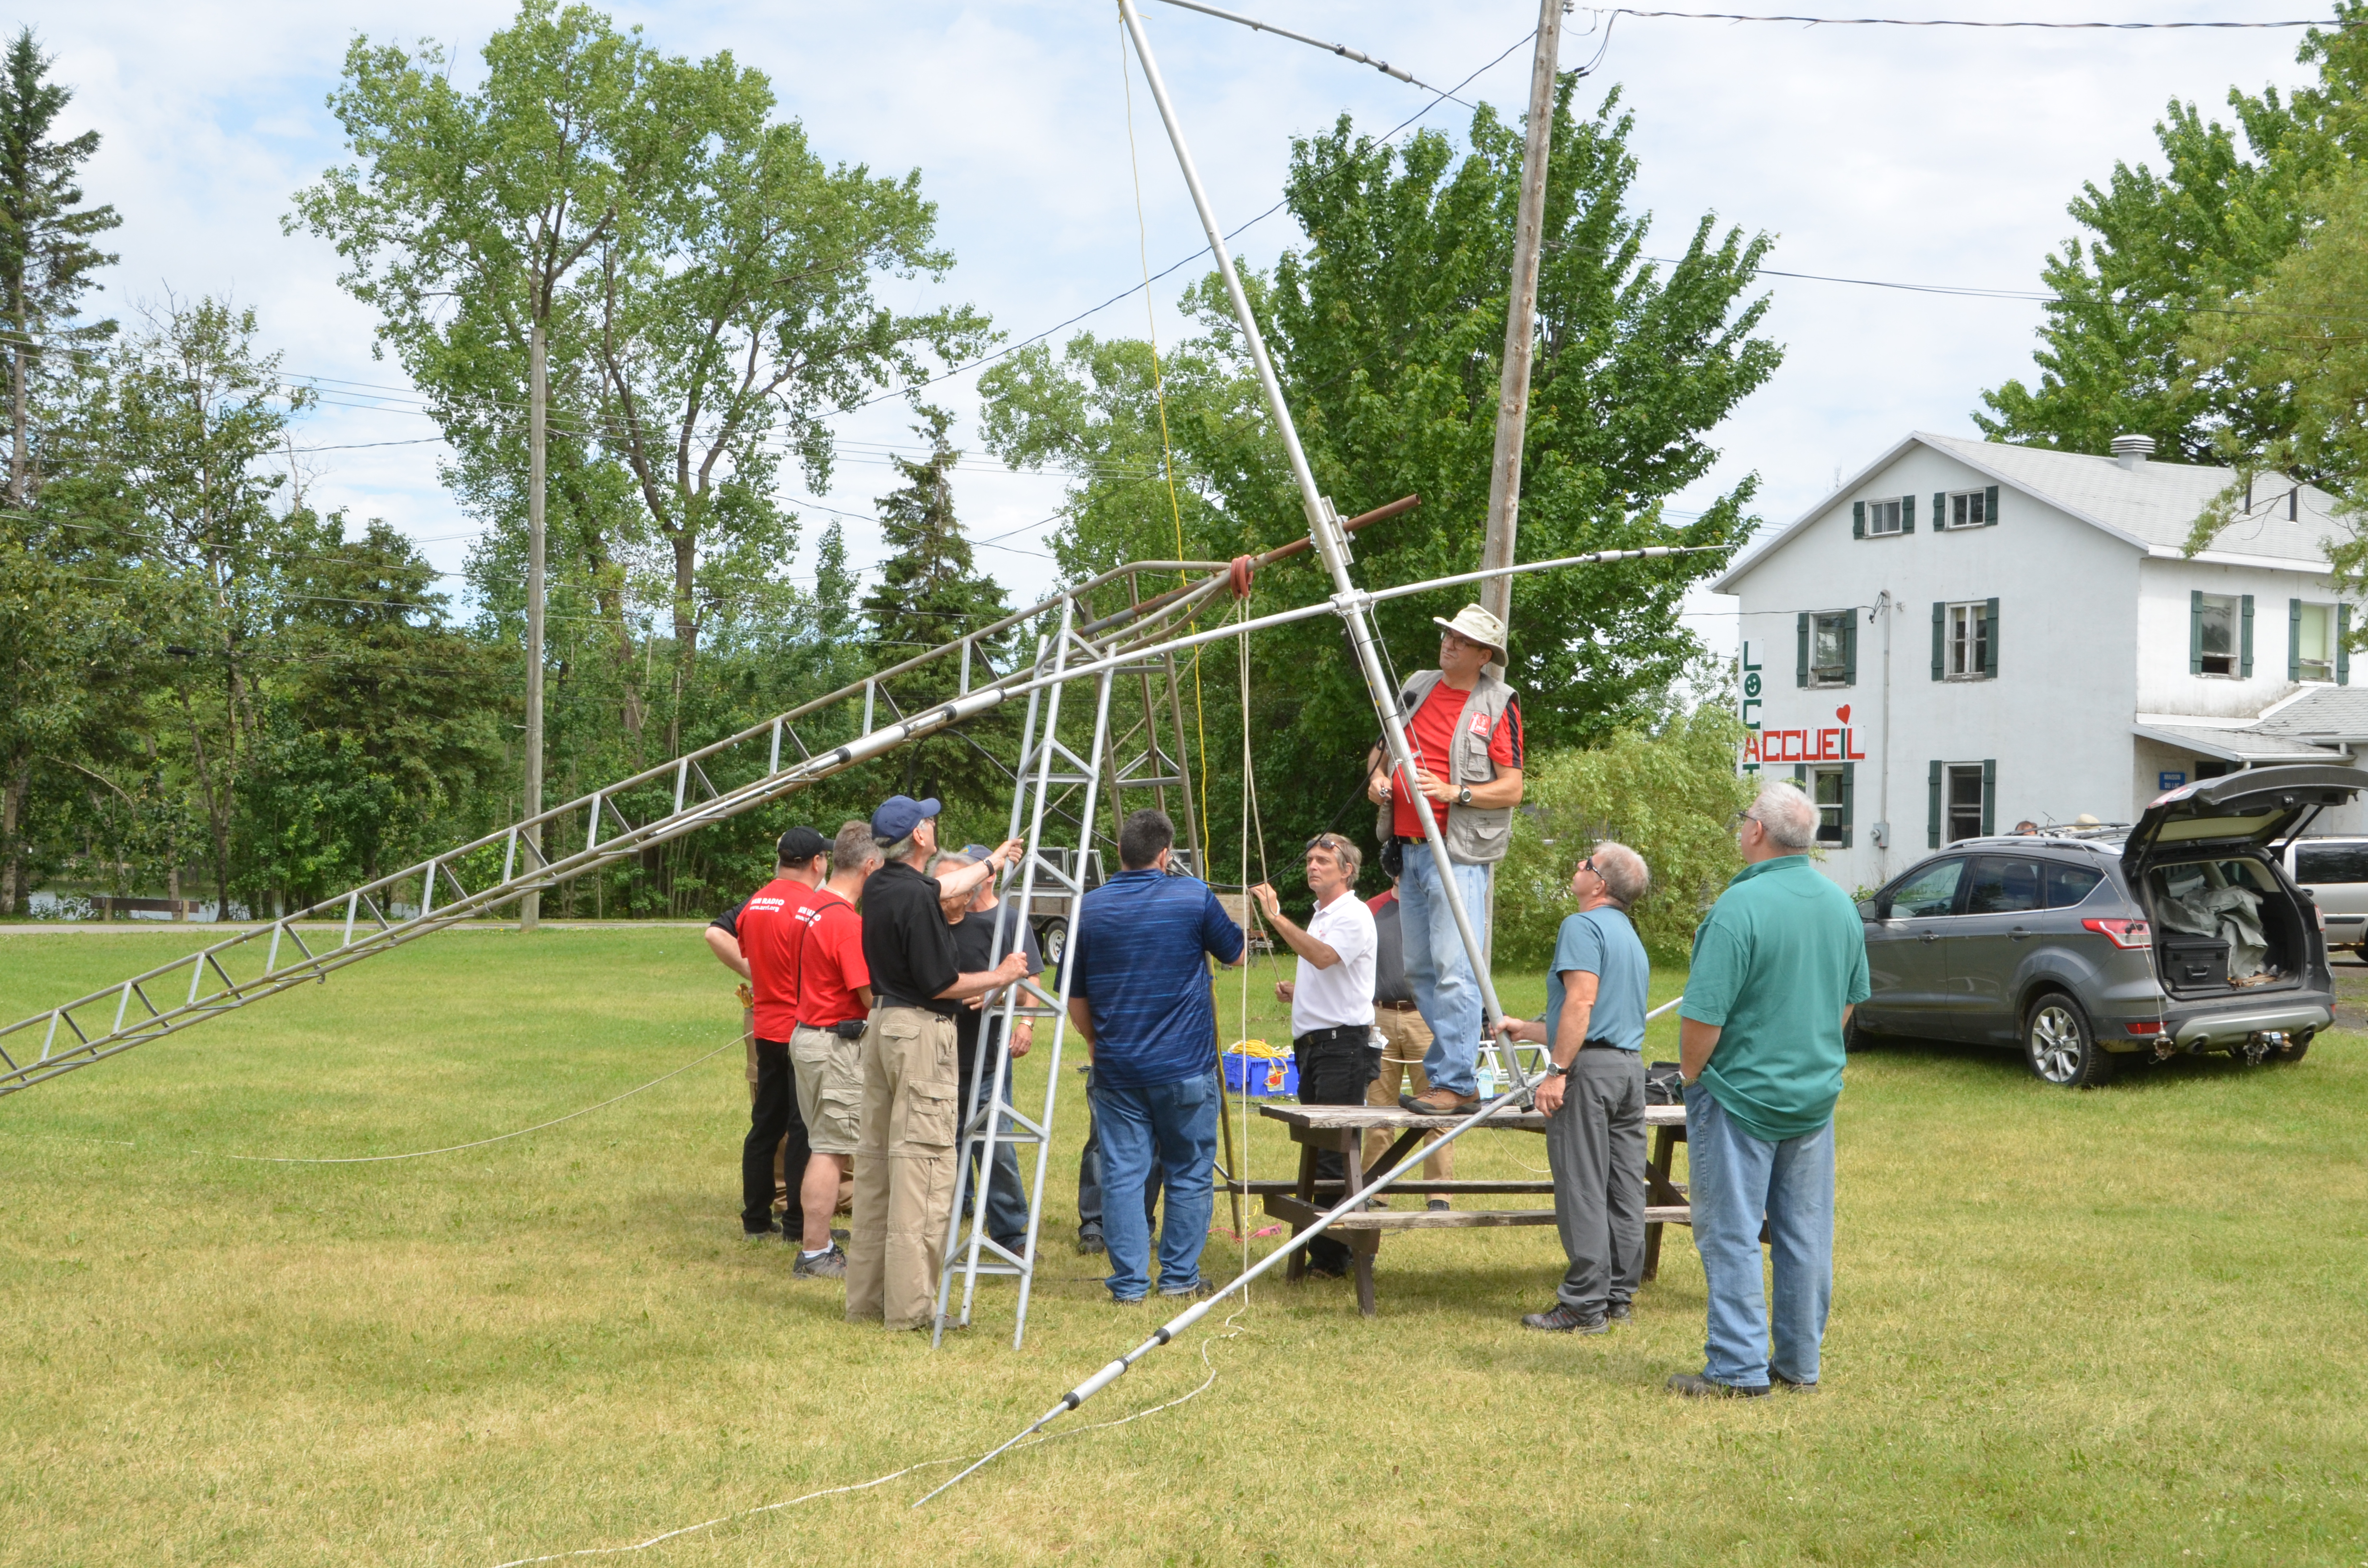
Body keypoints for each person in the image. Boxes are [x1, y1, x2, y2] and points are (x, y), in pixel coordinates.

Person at [1669, 781, 1870, 1396]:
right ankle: (1798, 1365)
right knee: (1803, 1234)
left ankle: (1735, 1369)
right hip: (1812, 1095)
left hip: (1738, 1096)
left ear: (1755, 831)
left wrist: (1691, 1077)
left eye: (1741, 820)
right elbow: (1846, 1004)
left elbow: (1702, 1019)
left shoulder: (1737, 909)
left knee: (1729, 1233)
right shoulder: (1839, 905)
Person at [845, 796, 1027, 1332]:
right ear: (920, 838)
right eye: (929, 820)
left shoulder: (881, 883)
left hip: (882, 1028)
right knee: (922, 1169)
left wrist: (993, 861)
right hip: (920, 1034)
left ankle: (868, 1300)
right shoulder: (913, 898)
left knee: (878, 1166)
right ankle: (912, 1310)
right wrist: (1003, 974)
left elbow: (942, 887)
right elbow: (943, 984)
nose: (934, 823)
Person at [1067, 808, 1246, 1302]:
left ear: (1119, 854)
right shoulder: (1192, 895)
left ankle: (1127, 1284)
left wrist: (1092, 1043)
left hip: (1118, 1067)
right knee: (1189, 1170)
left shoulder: (1089, 907)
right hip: (1184, 1067)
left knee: (1123, 1174)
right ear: (1165, 854)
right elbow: (1236, 954)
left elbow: (1075, 998)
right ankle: (1178, 1278)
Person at [1362, 603, 1524, 1116]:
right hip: (1407, 852)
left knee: (1456, 970)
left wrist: (1457, 792)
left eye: (1460, 640)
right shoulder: (1418, 683)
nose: (1448, 644)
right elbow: (1380, 751)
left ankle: (1456, 1081)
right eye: (1447, 635)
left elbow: (1513, 787)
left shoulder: (1498, 702)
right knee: (1420, 971)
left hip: (1457, 855)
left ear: (1483, 655)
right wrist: (1377, 779)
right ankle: (1452, 1076)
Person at [1497, 843, 1654, 1335]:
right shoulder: (1627, 935)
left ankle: (1584, 1306)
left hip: (1589, 1074)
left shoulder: (1581, 926)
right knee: (1623, 1187)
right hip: (1628, 1071)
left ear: (1599, 884)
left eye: (1584, 863)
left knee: (1583, 1186)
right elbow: (1592, 1016)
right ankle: (1616, 1297)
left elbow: (1581, 1004)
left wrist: (1556, 1071)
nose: (1576, 867)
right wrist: (1524, 1029)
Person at [1252, 832, 1376, 1281]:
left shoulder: (1354, 913)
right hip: (1317, 1047)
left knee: (1333, 1154)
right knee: (1320, 1149)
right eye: (1309, 859)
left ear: (1347, 870)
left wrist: (1275, 916)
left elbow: (1324, 958)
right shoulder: (1322, 915)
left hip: (1343, 1048)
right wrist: (1298, 992)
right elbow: (1328, 970)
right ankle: (1330, 1251)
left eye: (1324, 859)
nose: (1313, 866)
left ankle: (1335, 1258)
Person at [703, 827, 831, 1241]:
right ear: (817, 862)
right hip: (801, 1027)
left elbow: (725, 936)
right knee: (803, 1130)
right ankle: (797, 1225)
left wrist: (753, 973)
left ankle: (756, 1221)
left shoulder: (757, 901)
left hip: (766, 1029)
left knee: (764, 1126)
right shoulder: (813, 906)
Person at [782, 821, 881, 1279]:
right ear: (869, 866)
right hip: (833, 1044)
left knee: (824, 1142)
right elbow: (867, 995)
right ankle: (817, 1253)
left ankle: (815, 1247)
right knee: (830, 1149)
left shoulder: (815, 906)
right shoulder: (845, 922)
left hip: (808, 1037)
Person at [936, 846, 1044, 1258]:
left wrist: (1022, 1020)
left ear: (985, 879)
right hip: (937, 1051)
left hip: (986, 1053)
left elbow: (1030, 979)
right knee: (946, 1138)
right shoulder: (935, 920)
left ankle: (1010, 1231)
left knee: (994, 1142)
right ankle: (955, 1210)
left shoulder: (1010, 921)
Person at [1361, 866, 1453, 1210]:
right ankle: (1373, 1191)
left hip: (1426, 1018)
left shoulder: (1436, 909)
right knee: (1379, 1113)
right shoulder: (1371, 910)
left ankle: (1439, 1195)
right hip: (1379, 1016)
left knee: (1437, 1110)